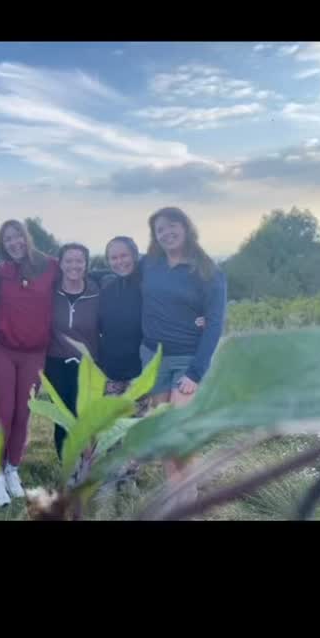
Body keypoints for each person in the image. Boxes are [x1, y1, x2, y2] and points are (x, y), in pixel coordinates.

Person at [140, 205, 227, 505]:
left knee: (180, 429)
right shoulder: (150, 265)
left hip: (187, 361)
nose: (166, 232)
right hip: (152, 359)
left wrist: (195, 372)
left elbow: (214, 323)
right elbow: (119, 272)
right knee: (165, 430)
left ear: (186, 227)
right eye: (159, 229)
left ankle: (188, 496)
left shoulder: (208, 272)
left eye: (171, 225)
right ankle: (174, 491)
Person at [0, 219, 59, 506]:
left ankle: (11, 469)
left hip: (35, 352)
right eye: (7, 239)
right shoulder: (0, 272)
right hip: (2, 350)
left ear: (27, 238)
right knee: (3, 413)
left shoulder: (51, 267)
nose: (14, 243)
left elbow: (80, 277)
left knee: (23, 413)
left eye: (17, 237)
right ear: (3, 245)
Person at [44, 243, 100, 458]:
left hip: (89, 365)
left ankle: (87, 465)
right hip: (56, 362)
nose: (74, 265)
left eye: (79, 261)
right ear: (60, 263)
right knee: (63, 418)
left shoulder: (97, 290)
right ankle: (67, 465)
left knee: (85, 418)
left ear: (86, 264)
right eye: (69, 260)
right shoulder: (50, 290)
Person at [91, 236, 143, 396]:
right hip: (110, 373)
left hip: (141, 374)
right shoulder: (107, 290)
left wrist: (198, 317)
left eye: (124, 256)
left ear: (135, 255)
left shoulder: (149, 287)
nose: (119, 261)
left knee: (140, 421)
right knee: (113, 421)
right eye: (114, 258)